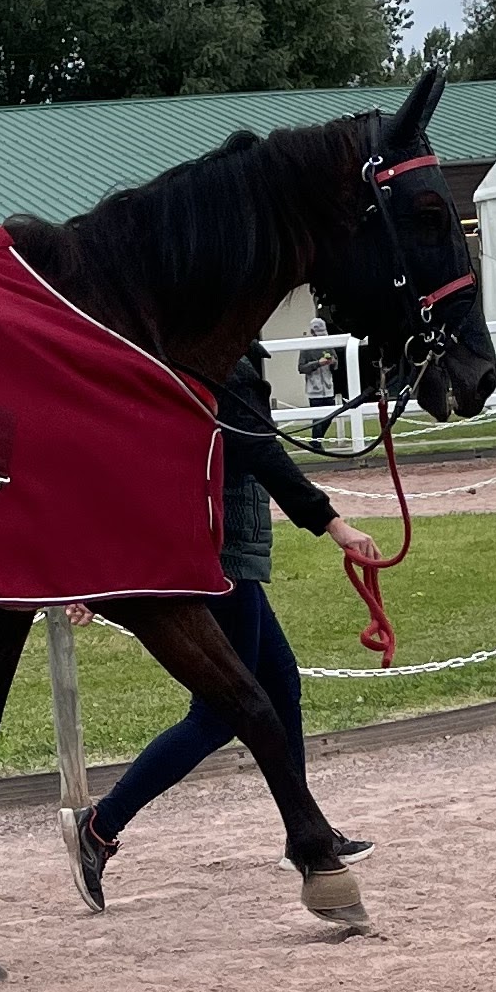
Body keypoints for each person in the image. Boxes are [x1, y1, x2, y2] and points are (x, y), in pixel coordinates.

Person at [61, 346, 384, 908]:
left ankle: (305, 830)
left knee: (280, 684)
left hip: (229, 550)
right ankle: (99, 827)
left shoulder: (206, 352)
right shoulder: (219, 359)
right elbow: (261, 452)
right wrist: (334, 524)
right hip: (221, 554)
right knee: (217, 714)